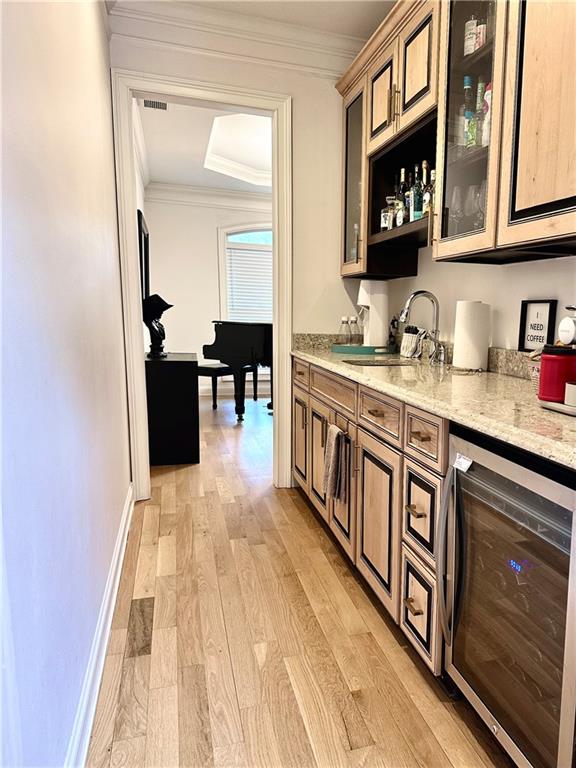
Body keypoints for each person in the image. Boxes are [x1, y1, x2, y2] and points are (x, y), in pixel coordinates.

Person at [142, 294, 173, 358]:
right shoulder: (150, 324)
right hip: (155, 353)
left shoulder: (158, 325)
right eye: (160, 310)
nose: (162, 313)